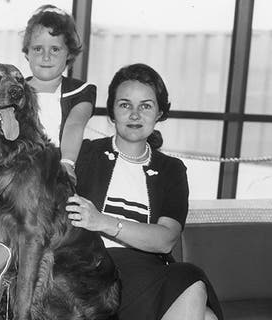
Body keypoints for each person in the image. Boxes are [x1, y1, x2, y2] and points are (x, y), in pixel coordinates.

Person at [66, 63, 223, 320]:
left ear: (160, 113)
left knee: (189, 278)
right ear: (112, 113)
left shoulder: (171, 169)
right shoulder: (84, 155)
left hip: (147, 270)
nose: (135, 115)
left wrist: (102, 221)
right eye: (125, 105)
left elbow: (165, 239)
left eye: (146, 106)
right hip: (90, 270)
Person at [22, 5, 95, 182]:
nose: (46, 57)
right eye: (38, 49)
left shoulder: (80, 91)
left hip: (57, 172)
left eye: (55, 49)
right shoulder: (17, 89)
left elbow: (74, 125)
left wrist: (67, 163)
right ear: (27, 53)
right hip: (20, 171)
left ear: (69, 53)